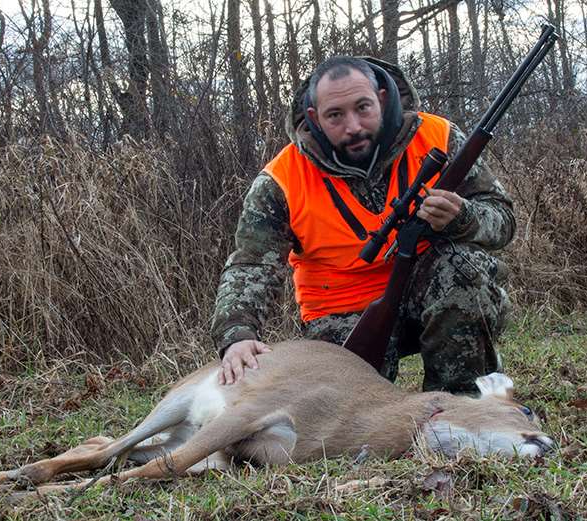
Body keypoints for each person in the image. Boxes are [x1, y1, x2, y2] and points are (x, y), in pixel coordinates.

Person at [210, 56, 515, 395]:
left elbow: (502, 221)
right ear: (314, 118)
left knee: (462, 269)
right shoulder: (281, 180)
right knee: (345, 409)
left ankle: (462, 402)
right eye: (335, 115)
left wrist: (464, 217)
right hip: (339, 310)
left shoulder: (438, 137)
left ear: (382, 99)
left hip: (431, 289)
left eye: (363, 107)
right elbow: (251, 265)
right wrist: (237, 335)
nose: (353, 126)